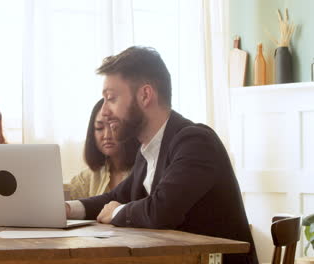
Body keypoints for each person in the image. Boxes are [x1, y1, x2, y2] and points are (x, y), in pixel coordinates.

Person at [65, 46, 258, 264]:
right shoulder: (148, 151)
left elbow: (162, 210)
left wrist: (118, 212)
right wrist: (68, 209)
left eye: (111, 98)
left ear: (145, 95)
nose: (105, 111)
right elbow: (115, 197)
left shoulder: (195, 142)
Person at [67, 98, 140, 200]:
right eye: (99, 128)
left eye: (113, 126)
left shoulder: (145, 171)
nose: (106, 135)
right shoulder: (86, 178)